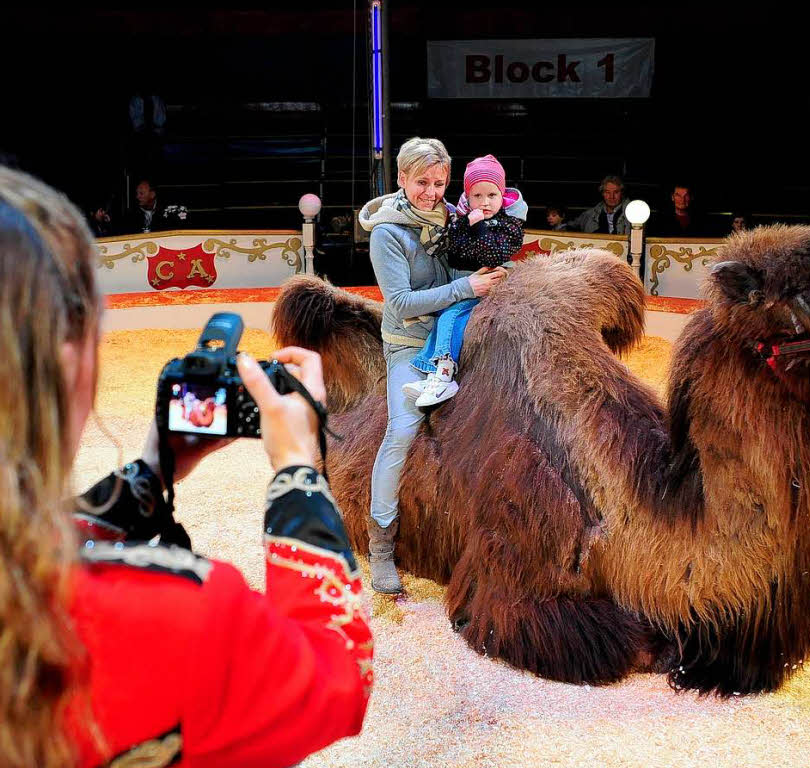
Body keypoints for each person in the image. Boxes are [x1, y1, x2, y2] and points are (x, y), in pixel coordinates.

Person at [0, 166, 372, 768]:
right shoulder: (182, 614)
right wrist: (298, 471)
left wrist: (148, 476)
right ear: (69, 367)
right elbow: (337, 679)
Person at [357, 137, 506, 594]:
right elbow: (400, 304)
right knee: (403, 430)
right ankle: (381, 542)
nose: (431, 191)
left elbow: (470, 266)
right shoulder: (387, 234)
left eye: (440, 183)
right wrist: (468, 290)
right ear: (401, 179)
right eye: (422, 182)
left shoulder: (454, 216)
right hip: (410, 342)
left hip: (460, 331)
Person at [402, 154, 526, 408]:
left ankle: (444, 375)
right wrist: (466, 228)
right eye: (477, 196)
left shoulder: (509, 225)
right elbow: (456, 251)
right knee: (443, 319)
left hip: (489, 287)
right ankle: (431, 372)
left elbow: (493, 254)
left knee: (450, 317)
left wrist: (479, 228)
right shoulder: (461, 219)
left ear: (502, 196)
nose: (485, 202)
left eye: (492, 195)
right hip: (465, 283)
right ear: (467, 197)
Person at [566, 175, 631, 234]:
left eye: (616, 192)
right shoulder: (590, 215)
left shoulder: (633, 214)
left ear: (621, 193)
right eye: (607, 192)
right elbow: (570, 226)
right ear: (602, 193)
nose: (612, 196)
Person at [122, 178, 188, 235]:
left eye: (141, 193)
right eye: (137, 193)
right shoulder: (132, 213)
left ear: (152, 194)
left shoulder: (168, 210)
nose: (137, 197)